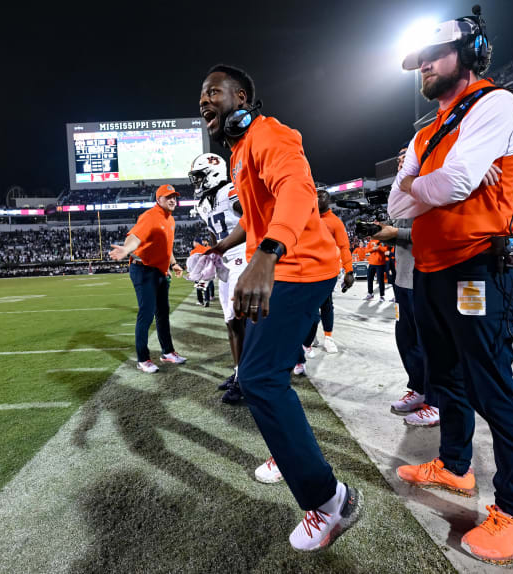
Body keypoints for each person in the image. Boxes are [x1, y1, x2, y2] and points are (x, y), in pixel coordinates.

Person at [388, 12, 513, 564]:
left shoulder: (494, 102)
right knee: (445, 379)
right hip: (432, 268)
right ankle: (455, 468)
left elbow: (455, 181)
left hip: (478, 265)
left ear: (470, 50)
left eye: (435, 52)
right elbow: (397, 204)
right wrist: (421, 185)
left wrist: (418, 183)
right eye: (418, 59)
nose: (423, 64)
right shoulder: (428, 127)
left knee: (491, 389)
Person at [199, 63, 362, 551]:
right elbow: (254, 218)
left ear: (242, 97)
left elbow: (297, 191)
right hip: (287, 265)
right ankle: (294, 456)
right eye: (201, 96)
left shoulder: (271, 136)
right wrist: (222, 246)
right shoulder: (242, 152)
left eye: (213, 92)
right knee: (260, 376)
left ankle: (330, 501)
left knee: (260, 379)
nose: (204, 101)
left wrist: (268, 254)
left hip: (300, 267)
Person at [379, 146, 441, 427]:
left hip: (426, 278)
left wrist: (397, 233)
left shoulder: (432, 188)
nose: (401, 160)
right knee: (406, 338)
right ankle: (419, 389)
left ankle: (437, 403)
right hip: (403, 279)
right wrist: (386, 233)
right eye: (400, 157)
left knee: (432, 344)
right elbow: (405, 235)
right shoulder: (404, 193)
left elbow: (437, 232)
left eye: (407, 156)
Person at [189, 152, 248, 403]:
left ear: (213, 173)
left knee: (240, 321)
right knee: (230, 321)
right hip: (226, 262)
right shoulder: (205, 202)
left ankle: (247, 380)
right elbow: (216, 231)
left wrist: (223, 246)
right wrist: (212, 253)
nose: (197, 183)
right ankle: (239, 373)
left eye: (199, 177)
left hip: (243, 257)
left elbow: (254, 219)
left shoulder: (230, 191)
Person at [109, 184, 186, 374]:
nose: (172, 200)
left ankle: (167, 352)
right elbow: (134, 236)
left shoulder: (170, 219)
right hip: (143, 270)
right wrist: (126, 249)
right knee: (146, 314)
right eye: (168, 197)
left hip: (158, 272)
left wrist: (173, 264)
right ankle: (142, 359)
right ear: (158, 200)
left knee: (162, 313)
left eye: (174, 197)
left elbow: (166, 247)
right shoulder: (150, 216)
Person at [298, 188, 354, 360]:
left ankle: (328, 337)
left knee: (326, 306)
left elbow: (344, 246)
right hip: (305, 271)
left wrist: (349, 270)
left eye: (322, 196)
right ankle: (308, 337)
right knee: (308, 309)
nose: (318, 198)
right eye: (315, 195)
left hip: (326, 272)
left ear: (329, 201)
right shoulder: (304, 217)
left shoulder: (335, 222)